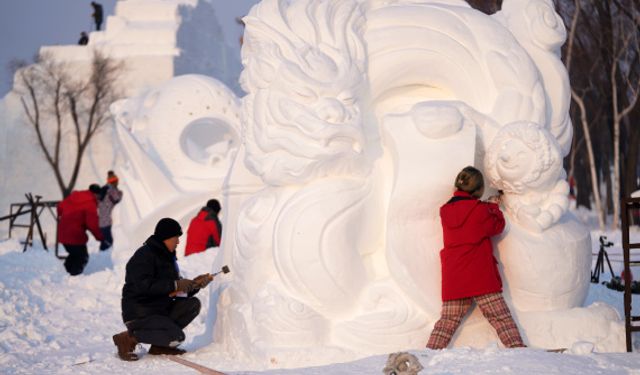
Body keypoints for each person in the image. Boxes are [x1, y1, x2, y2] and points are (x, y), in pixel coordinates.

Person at [426, 166, 525, 350]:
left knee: (447, 322)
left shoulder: (445, 210)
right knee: (501, 318)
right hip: (479, 276)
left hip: (454, 276)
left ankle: (427, 356)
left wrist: (484, 207)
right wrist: (493, 207)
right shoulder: (480, 211)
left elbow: (465, 217)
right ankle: (518, 350)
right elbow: (497, 226)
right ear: (478, 190)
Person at [112, 218, 215, 361]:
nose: (178, 242)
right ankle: (128, 338)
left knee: (192, 304)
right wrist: (175, 285)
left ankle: (159, 346)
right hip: (140, 313)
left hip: (159, 310)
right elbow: (143, 285)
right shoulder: (144, 255)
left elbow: (173, 290)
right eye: (176, 238)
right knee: (177, 337)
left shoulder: (167, 257)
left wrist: (194, 285)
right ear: (165, 238)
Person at [57, 184, 104, 275]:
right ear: (96, 194)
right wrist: (101, 237)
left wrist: (66, 217)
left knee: (75, 254)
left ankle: (65, 274)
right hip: (74, 236)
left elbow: (60, 207)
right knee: (82, 257)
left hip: (62, 234)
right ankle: (74, 277)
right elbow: (93, 224)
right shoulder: (90, 204)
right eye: (99, 196)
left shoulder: (74, 196)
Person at [98, 170, 123, 251]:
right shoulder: (112, 190)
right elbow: (119, 198)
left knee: (105, 246)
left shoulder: (103, 189)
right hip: (109, 223)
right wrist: (121, 192)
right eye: (116, 181)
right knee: (111, 244)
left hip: (101, 223)